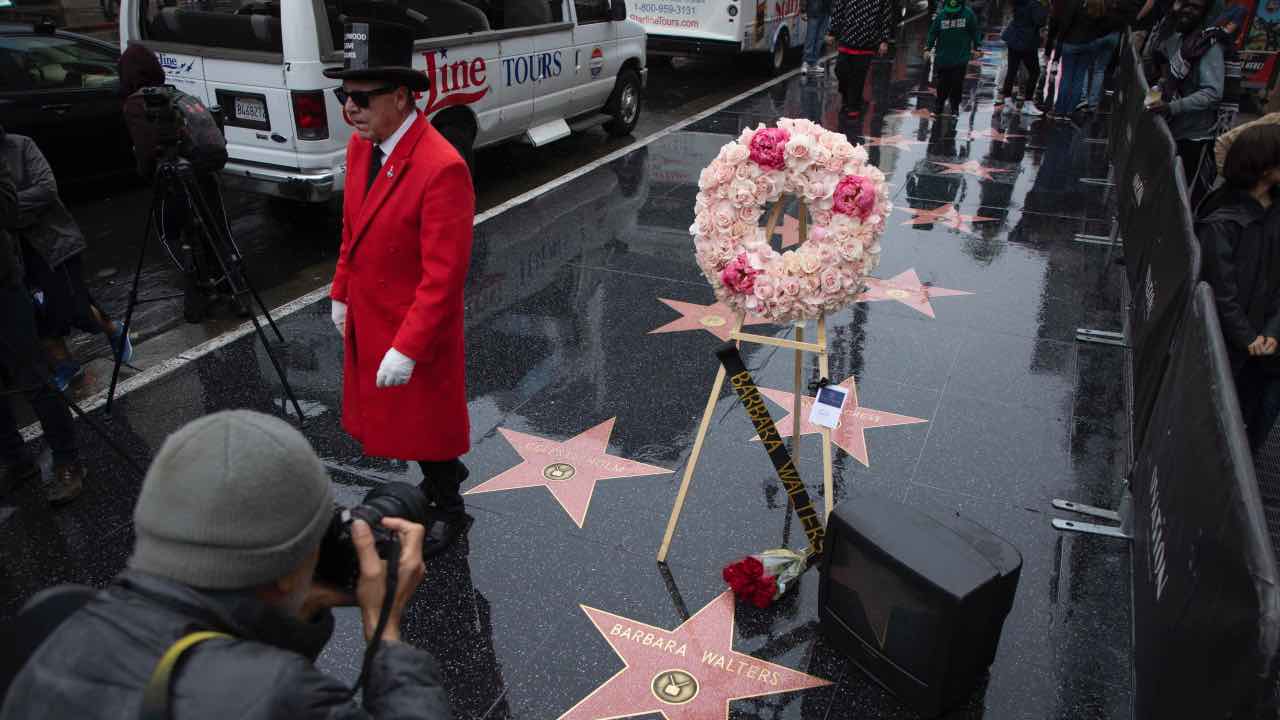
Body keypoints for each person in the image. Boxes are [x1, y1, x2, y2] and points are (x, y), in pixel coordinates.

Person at [0, 410, 450, 718]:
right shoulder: (282, 694)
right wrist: (385, 633)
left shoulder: (53, 615)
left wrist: (294, 605)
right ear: (286, 570)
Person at [326, 15, 474, 557]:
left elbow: (444, 275)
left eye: (362, 98)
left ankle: (450, 508)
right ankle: (439, 478)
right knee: (401, 422)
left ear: (402, 96)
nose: (351, 109)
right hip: (372, 313)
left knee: (427, 424)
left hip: (416, 326)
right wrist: (340, 290)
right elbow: (352, 228)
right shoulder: (361, 146)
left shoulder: (441, 167)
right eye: (344, 96)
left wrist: (408, 348)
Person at [2, 127, 133, 391]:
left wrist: (10, 206)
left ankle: (113, 329)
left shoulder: (21, 146)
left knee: (74, 307)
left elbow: (46, 189)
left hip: (51, 242)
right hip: (12, 252)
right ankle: (67, 366)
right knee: (36, 315)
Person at [119, 44, 236, 324]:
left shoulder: (135, 104)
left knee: (170, 234)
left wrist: (147, 172)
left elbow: (146, 151)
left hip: (174, 179)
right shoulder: (174, 93)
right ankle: (232, 287)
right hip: (204, 172)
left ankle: (199, 292)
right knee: (216, 231)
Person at [0, 153, 84, 506]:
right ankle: (16, 460)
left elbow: (8, 210)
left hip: (2, 286)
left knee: (34, 378)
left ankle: (67, 461)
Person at [1196, 125, 1280, 449]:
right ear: (1264, 169)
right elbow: (1221, 292)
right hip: (1231, 351)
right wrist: (1248, 338)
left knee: (1256, 423)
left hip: (1265, 350)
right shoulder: (1222, 222)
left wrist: (1272, 332)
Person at [1146, 0, 1227, 206]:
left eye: (1196, 7)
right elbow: (1167, 76)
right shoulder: (1178, 37)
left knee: (1176, 200)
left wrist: (1172, 107)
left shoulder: (1209, 46)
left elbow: (1212, 93)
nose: (1187, 10)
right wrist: (1154, 94)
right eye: (1186, 4)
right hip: (1173, 129)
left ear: (1206, 14)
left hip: (1193, 138)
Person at [831, 0, 895, 119]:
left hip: (867, 40)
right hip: (847, 36)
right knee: (840, 70)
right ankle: (848, 97)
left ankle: (854, 106)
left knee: (858, 75)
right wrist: (833, 31)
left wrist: (884, 40)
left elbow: (886, 17)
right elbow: (839, 7)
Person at [926, 0, 982, 116]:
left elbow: (975, 31)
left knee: (957, 83)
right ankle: (939, 106)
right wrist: (928, 48)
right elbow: (933, 32)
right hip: (943, 57)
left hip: (960, 56)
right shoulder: (941, 15)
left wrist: (978, 47)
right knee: (942, 84)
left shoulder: (968, 14)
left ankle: (954, 107)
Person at [1000, 0, 1049, 115]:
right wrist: (1044, 8)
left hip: (1014, 37)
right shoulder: (1035, 4)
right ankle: (1028, 103)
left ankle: (1007, 100)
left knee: (1012, 70)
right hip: (1027, 40)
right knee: (1034, 71)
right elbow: (1040, 21)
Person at [802, 0, 834, 75]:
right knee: (811, 37)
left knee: (819, 39)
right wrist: (803, 10)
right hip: (815, 10)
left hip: (825, 10)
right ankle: (807, 63)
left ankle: (813, 63)